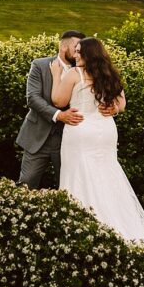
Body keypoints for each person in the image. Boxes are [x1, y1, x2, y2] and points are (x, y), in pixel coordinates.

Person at [50, 37, 144, 271]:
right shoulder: (109, 74)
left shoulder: (74, 73)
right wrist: (113, 108)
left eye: (80, 51)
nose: (76, 55)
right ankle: (120, 225)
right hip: (105, 130)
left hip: (81, 129)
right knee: (108, 177)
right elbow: (121, 104)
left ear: (90, 54)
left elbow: (58, 100)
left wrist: (56, 75)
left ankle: (83, 233)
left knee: (79, 177)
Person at [16, 30, 119, 189]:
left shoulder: (87, 68)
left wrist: (114, 108)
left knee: (70, 185)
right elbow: (33, 98)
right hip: (39, 135)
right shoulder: (40, 65)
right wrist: (58, 115)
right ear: (63, 46)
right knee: (27, 181)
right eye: (76, 46)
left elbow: (109, 94)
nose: (79, 51)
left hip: (71, 138)